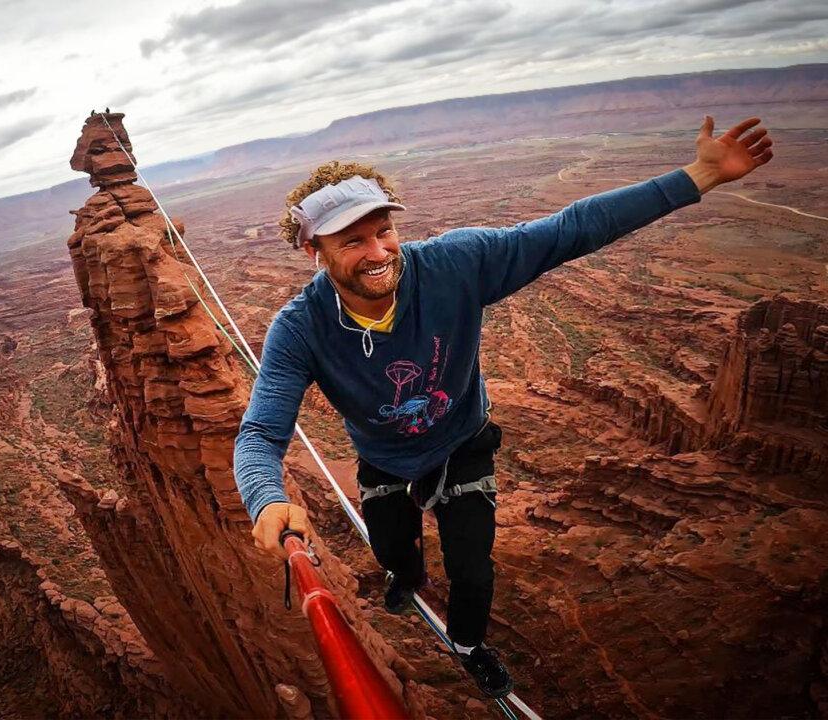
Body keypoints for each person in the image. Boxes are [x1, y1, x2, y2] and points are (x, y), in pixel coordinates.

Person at [233, 116, 773, 698]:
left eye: (382, 230)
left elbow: (572, 229)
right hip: (385, 459)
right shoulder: (300, 329)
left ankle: (467, 643)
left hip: (462, 442)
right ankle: (404, 574)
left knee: (473, 572)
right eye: (352, 241)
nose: (378, 251)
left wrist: (700, 175)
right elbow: (261, 434)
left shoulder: (454, 265)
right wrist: (266, 498)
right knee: (392, 551)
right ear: (314, 251)